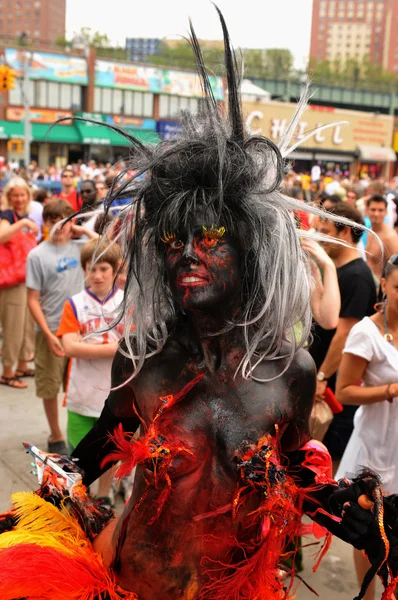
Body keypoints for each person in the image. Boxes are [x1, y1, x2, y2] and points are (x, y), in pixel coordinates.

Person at [1, 14, 398, 600]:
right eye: (171, 240)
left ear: (249, 248)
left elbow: (289, 473)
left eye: (209, 234)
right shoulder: (142, 360)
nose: (186, 252)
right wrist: (37, 518)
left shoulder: (289, 371)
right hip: (137, 584)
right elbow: (91, 458)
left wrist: (349, 510)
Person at [336, 254, 398, 600]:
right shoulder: (365, 332)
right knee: (370, 532)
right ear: (385, 285)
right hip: (376, 448)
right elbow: (344, 391)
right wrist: (391, 389)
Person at [26, 199, 98, 454]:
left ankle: (75, 431)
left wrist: (84, 231)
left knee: (78, 386)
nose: (59, 226)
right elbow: (32, 299)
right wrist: (47, 333)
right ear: (45, 223)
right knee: (49, 385)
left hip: (81, 332)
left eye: (65, 220)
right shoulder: (37, 254)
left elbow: (107, 249)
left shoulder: (81, 247)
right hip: (51, 330)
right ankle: (56, 433)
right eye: (53, 220)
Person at [57, 238, 123, 506]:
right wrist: (114, 348)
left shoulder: (126, 302)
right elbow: (69, 346)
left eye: (103, 269)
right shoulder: (74, 304)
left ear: (116, 269)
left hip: (115, 392)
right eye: (91, 268)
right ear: (84, 269)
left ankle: (104, 494)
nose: (96, 275)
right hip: (82, 392)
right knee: (80, 451)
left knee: (110, 451)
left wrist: (87, 345)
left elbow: (134, 346)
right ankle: (81, 498)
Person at [311, 202, 376, 473]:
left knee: (330, 456)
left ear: (346, 232)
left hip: (335, 386)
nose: (321, 238)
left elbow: (345, 332)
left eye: (326, 231)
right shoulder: (337, 270)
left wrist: (322, 377)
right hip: (323, 378)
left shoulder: (358, 276)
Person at [0, 177, 38, 388]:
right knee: (13, 327)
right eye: (15, 195)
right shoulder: (7, 216)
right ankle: (7, 372)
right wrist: (22, 223)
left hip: (24, 278)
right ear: (9, 197)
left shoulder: (25, 215)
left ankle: (22, 364)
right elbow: (1, 236)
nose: (19, 199)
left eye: (22, 194)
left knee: (25, 326)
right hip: (11, 282)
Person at [365, 194, 398, 283]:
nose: (376, 214)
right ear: (367, 210)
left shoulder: (390, 237)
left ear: (386, 212)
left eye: (380, 210)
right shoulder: (370, 232)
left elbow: (396, 269)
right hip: (368, 284)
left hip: (380, 289)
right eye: (373, 210)